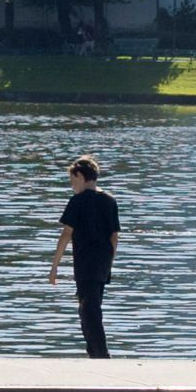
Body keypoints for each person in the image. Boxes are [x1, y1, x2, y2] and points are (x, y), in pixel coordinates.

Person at [46, 153, 120, 359]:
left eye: (72, 180)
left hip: (85, 261)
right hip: (103, 261)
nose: (72, 185)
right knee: (90, 306)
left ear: (80, 176)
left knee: (89, 309)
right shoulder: (110, 201)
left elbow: (66, 235)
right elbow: (114, 236)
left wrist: (54, 267)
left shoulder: (77, 201)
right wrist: (109, 261)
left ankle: (101, 353)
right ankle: (94, 351)